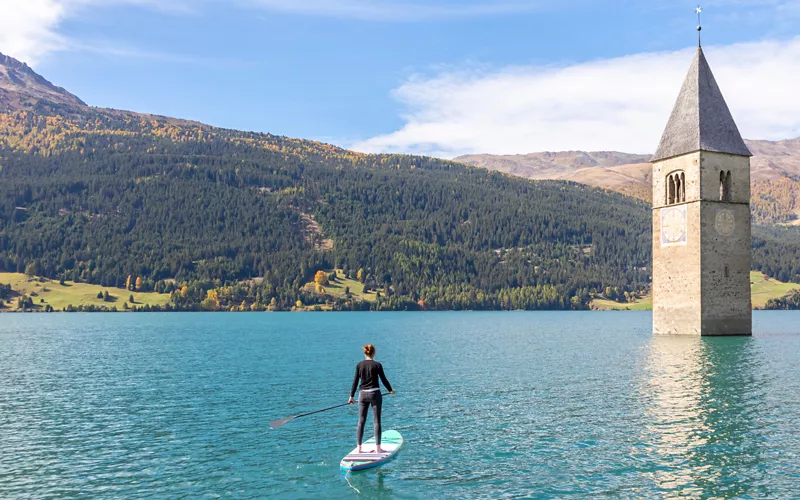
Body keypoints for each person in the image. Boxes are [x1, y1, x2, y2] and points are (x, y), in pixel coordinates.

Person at [348, 344, 395, 454]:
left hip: (362, 395)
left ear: (365, 353)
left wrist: (351, 396)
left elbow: (355, 382)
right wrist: (390, 390)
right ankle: (378, 448)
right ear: (373, 353)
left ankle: (359, 449)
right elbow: (383, 379)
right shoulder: (377, 365)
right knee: (377, 421)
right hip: (375, 394)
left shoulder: (359, 365)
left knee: (361, 421)